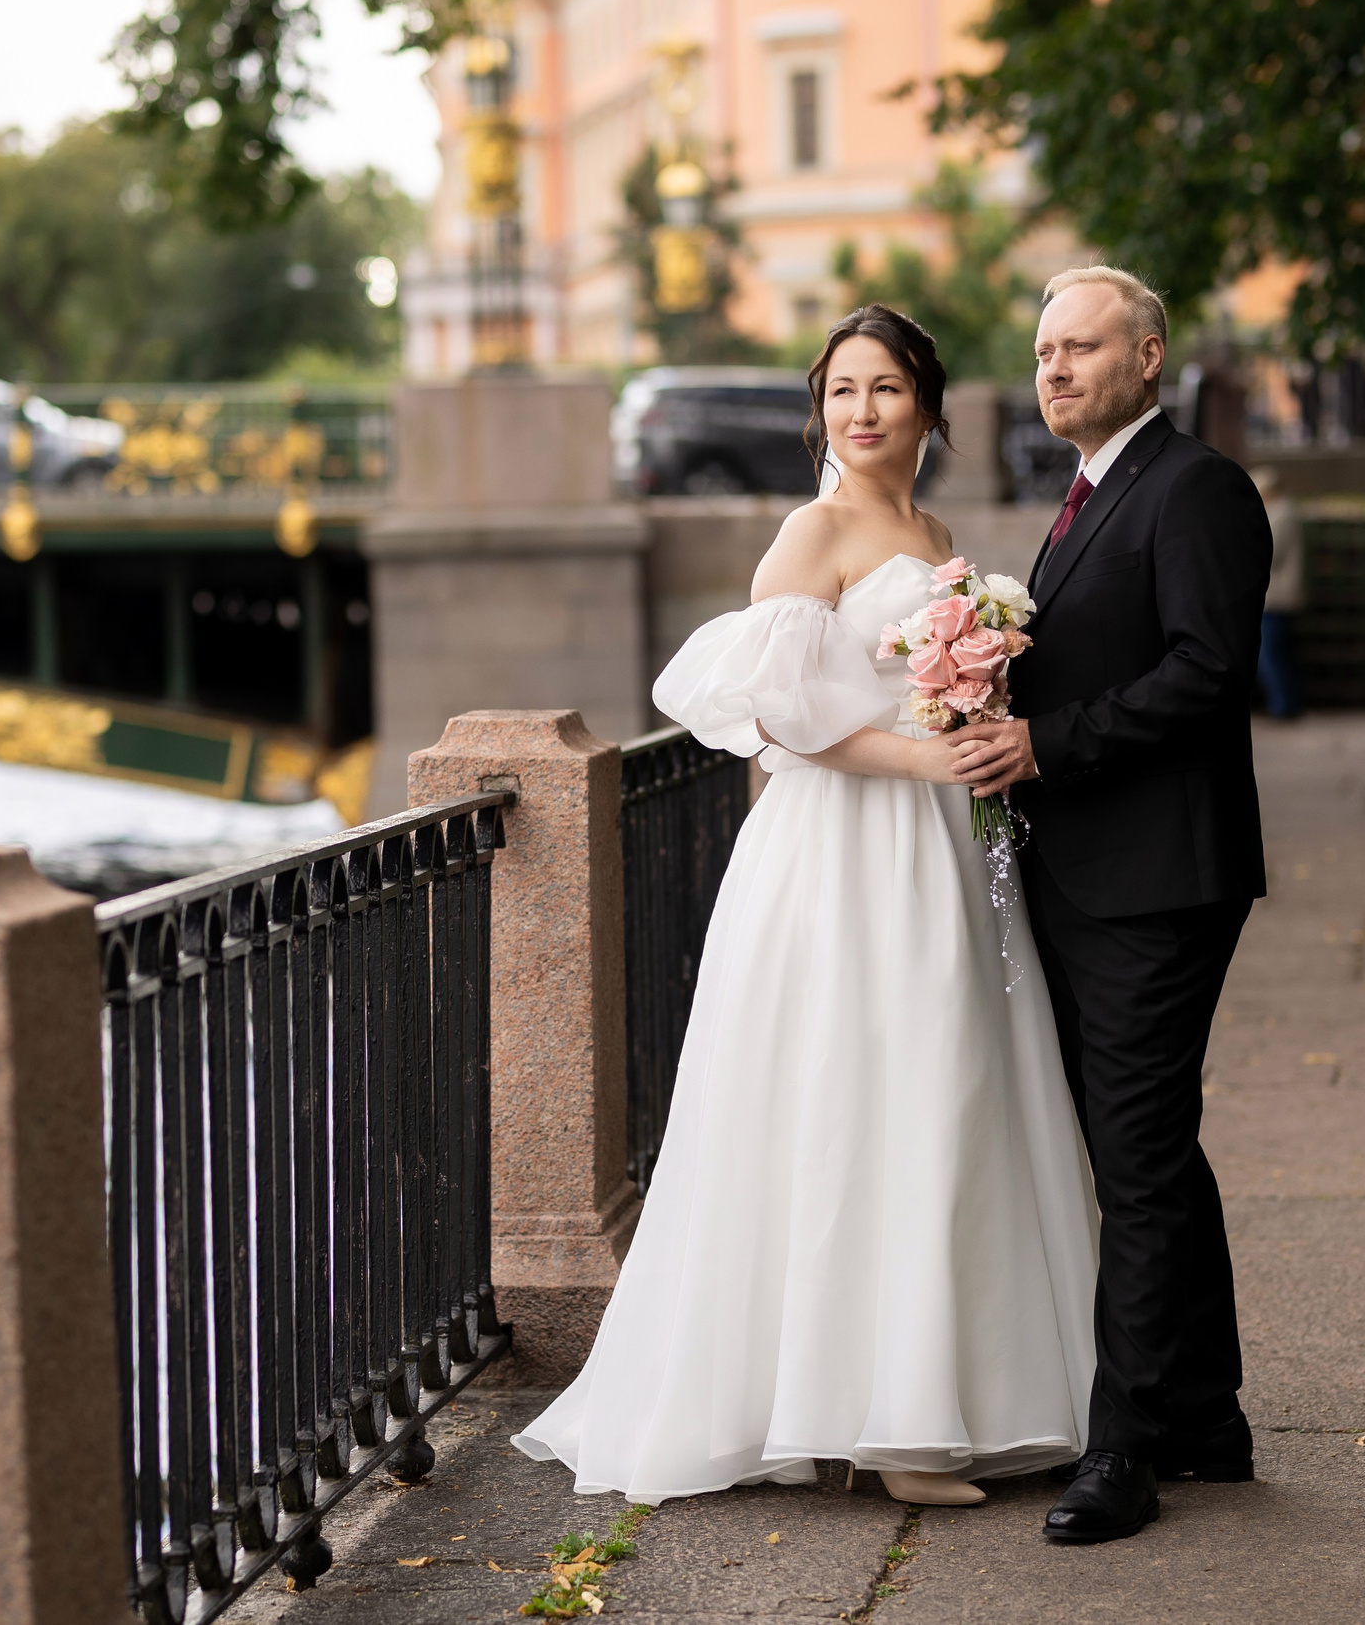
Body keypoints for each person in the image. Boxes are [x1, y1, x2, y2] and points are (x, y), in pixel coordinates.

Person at [512, 304, 1100, 1508]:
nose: (863, 411)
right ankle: (879, 1425)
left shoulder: (932, 531)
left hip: (938, 844)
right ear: (818, 411)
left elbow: (909, 695)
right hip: (841, 848)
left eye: (886, 389)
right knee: (845, 1094)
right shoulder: (812, 530)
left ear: (928, 409)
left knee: (948, 1089)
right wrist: (927, 760)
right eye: (841, 391)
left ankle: (927, 1399)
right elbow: (784, 724)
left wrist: (966, 727)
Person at [977, 265, 1272, 1543]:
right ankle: (1205, 1417)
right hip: (1092, 870)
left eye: (1080, 347)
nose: (1053, 369)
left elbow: (1208, 675)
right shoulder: (1087, 493)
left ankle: (1125, 1451)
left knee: (1137, 1162)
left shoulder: (1197, 488)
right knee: (1145, 1150)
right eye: (1043, 350)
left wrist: (1045, 744)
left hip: (1159, 879)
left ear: (1147, 357)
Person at [1256, 467, 1306, 719]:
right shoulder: (1280, 511)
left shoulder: (1281, 514)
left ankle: (1284, 706)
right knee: (1275, 654)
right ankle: (1283, 704)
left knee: (1271, 655)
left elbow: (1269, 552)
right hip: (1276, 598)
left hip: (1277, 599)